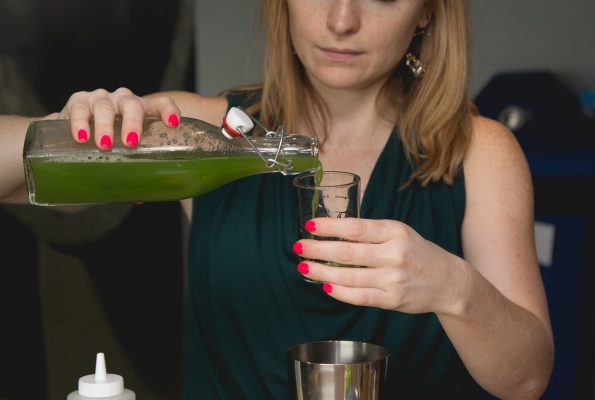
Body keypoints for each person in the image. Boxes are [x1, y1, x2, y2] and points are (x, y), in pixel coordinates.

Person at [0, 0, 554, 398]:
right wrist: (67, 124)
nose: (342, 19)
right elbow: (21, 177)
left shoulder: (480, 152)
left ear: (427, 12)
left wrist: (452, 287)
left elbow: (527, 379)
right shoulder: (206, 131)